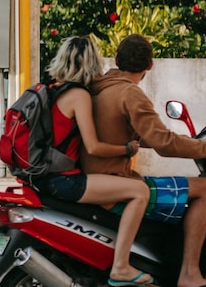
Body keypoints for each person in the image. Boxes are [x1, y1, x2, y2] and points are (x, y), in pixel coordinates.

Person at [85, 34, 206, 287]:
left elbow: (146, 136)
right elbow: (164, 144)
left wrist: (187, 141)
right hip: (116, 184)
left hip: (96, 179)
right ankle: (189, 274)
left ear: (117, 60)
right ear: (150, 65)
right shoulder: (130, 93)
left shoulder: (101, 88)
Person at [31, 36, 152, 287]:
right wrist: (127, 148)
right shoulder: (79, 96)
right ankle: (120, 267)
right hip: (64, 181)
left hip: (43, 178)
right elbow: (94, 147)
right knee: (140, 191)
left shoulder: (51, 89)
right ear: (92, 63)